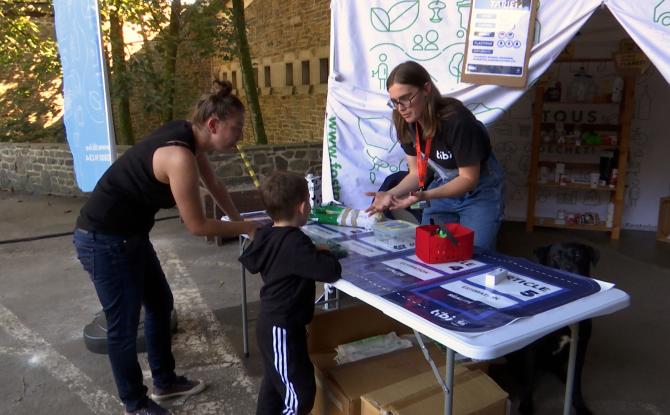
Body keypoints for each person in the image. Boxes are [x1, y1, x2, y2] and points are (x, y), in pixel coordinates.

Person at [73, 80, 259, 415]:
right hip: (104, 240)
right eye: (237, 128)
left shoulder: (191, 136)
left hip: (130, 235)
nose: (240, 136)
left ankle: (165, 380)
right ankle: (135, 403)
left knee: (159, 303)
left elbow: (213, 184)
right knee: (123, 325)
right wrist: (245, 227)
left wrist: (240, 219)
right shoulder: (179, 156)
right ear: (214, 125)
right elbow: (198, 226)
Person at [365, 61, 505, 251]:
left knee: (475, 256)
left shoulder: (457, 120)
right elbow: (415, 173)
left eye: (406, 98)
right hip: (443, 187)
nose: (401, 108)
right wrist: (390, 193)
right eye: (395, 101)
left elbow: (468, 179)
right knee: (433, 250)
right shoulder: (404, 121)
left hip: (479, 190)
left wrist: (424, 195)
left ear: (426, 89)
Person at [238, 171, 342, 415]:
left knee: (275, 386)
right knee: (300, 396)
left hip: (274, 324)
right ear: (303, 206)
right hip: (283, 328)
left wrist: (313, 250)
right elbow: (330, 271)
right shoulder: (295, 242)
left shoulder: (266, 235)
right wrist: (325, 252)